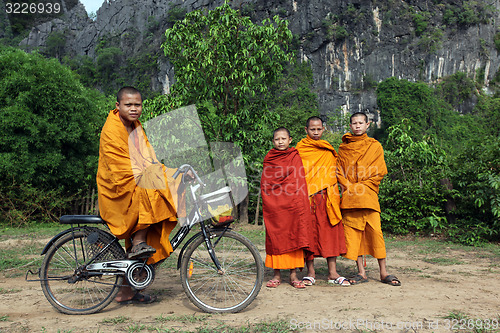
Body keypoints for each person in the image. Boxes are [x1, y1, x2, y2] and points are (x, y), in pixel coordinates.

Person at [96, 86, 180, 304]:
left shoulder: (136, 127)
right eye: (129, 105)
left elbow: (148, 158)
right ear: (118, 106)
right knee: (149, 186)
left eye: (138, 105)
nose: (134, 109)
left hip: (134, 181)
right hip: (117, 188)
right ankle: (139, 240)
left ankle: (128, 290)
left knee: (168, 183)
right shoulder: (112, 129)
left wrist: (171, 172)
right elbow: (119, 166)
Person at [337, 112, 401, 286]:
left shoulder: (375, 146)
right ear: (350, 126)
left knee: (376, 234)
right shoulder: (344, 148)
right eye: (354, 123)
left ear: (367, 125)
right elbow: (339, 172)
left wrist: (359, 187)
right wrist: (350, 187)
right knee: (354, 235)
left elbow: (379, 172)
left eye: (361, 123)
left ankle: (383, 272)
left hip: (369, 197)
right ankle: (361, 272)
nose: (357, 126)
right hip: (350, 198)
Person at [296, 117, 350, 286]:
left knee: (330, 233)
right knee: (309, 234)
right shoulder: (299, 149)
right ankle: (310, 272)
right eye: (313, 129)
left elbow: (335, 171)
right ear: (306, 130)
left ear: (323, 129)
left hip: (327, 197)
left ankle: (332, 272)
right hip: (308, 198)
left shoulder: (327, 149)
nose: (316, 132)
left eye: (319, 129)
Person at [261, 127, 312, 289]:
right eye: (277, 139)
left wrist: (298, 203)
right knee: (276, 236)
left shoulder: (294, 156)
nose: (280, 142)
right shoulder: (270, 158)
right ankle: (276, 275)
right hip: (275, 205)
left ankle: (293, 275)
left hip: (292, 206)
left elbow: (298, 181)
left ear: (290, 140)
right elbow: (266, 183)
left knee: (293, 236)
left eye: (283, 139)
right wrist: (272, 200)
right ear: (273, 141)